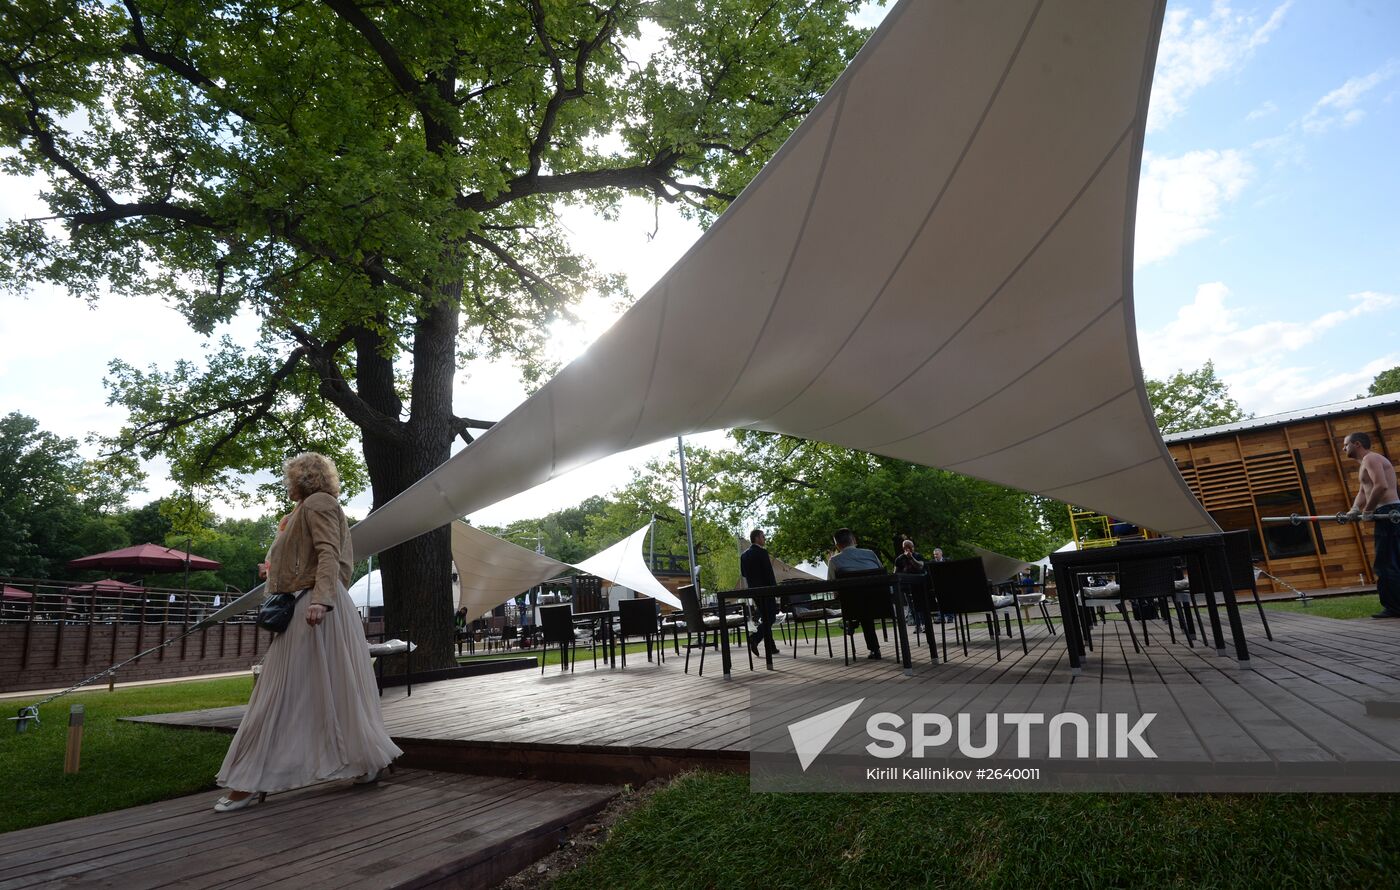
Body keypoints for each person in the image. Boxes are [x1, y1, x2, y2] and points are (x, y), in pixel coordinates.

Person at [214, 452, 402, 812]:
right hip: (316, 603)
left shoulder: (317, 503)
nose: (287, 483)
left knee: (281, 691)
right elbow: (313, 556)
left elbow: (330, 553)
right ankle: (367, 762)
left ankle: (251, 779)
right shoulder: (308, 508)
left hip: (316, 608)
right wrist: (273, 569)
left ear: (303, 478)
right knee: (334, 687)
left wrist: (321, 601)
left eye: (290, 477)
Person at [1343, 432, 1400, 618]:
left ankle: (1394, 608)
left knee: (1386, 563)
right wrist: (1354, 509)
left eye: (1346, 445)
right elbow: (1363, 491)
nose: (1343, 449)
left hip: (1388, 512)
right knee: (1391, 560)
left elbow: (1381, 485)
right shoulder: (1365, 464)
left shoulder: (1371, 458)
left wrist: (1368, 510)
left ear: (1357, 444)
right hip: (1386, 512)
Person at [827, 528, 885, 659]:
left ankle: (852, 623)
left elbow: (831, 585)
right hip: (880, 603)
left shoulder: (834, 561)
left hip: (853, 606)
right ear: (854, 540)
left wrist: (837, 595)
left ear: (837, 545)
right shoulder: (870, 554)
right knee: (865, 606)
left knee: (859, 605)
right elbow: (882, 574)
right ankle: (873, 646)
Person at [740, 529, 779, 658]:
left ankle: (771, 646)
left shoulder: (744, 556)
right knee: (771, 617)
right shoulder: (762, 552)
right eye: (763, 536)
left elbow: (744, 574)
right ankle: (755, 638)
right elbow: (769, 573)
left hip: (754, 592)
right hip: (767, 591)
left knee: (766, 618)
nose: (765, 539)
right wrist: (775, 590)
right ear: (757, 538)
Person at [893, 538, 927, 626]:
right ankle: (917, 624)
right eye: (905, 547)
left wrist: (911, 558)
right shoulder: (899, 559)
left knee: (920, 604)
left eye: (909, 547)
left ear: (913, 547)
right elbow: (895, 573)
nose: (907, 549)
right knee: (911, 606)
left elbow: (920, 566)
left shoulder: (918, 555)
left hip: (919, 584)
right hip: (907, 586)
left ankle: (924, 624)